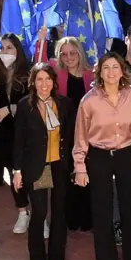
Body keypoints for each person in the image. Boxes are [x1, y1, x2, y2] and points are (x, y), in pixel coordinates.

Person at [72, 53, 131, 260]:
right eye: (106, 68)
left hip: (126, 154)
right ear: (99, 72)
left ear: (122, 70)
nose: (111, 72)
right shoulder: (89, 100)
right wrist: (80, 167)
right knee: (101, 210)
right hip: (99, 156)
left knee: (130, 208)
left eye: (115, 67)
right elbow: (80, 137)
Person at [13, 63, 75, 260]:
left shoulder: (65, 104)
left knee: (59, 211)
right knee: (40, 212)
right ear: (33, 82)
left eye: (47, 79)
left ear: (54, 82)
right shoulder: (25, 106)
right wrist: (17, 170)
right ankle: (37, 259)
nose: (44, 84)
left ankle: (57, 257)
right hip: (39, 167)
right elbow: (18, 140)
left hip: (60, 165)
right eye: (39, 79)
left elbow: (72, 136)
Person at [0, 35, 31, 234]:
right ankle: (23, 211)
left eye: (10, 47)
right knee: (14, 172)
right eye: (2, 48)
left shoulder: (29, 72)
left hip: (27, 132)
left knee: (36, 173)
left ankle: (40, 213)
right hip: (3, 134)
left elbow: (35, 102)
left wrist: (11, 109)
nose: (5, 52)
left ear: (18, 50)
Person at [50, 37, 95, 233]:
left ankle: (87, 216)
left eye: (73, 53)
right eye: (64, 53)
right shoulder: (56, 74)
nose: (69, 57)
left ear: (80, 53)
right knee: (67, 173)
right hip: (65, 133)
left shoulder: (91, 75)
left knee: (87, 172)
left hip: (89, 132)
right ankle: (71, 216)